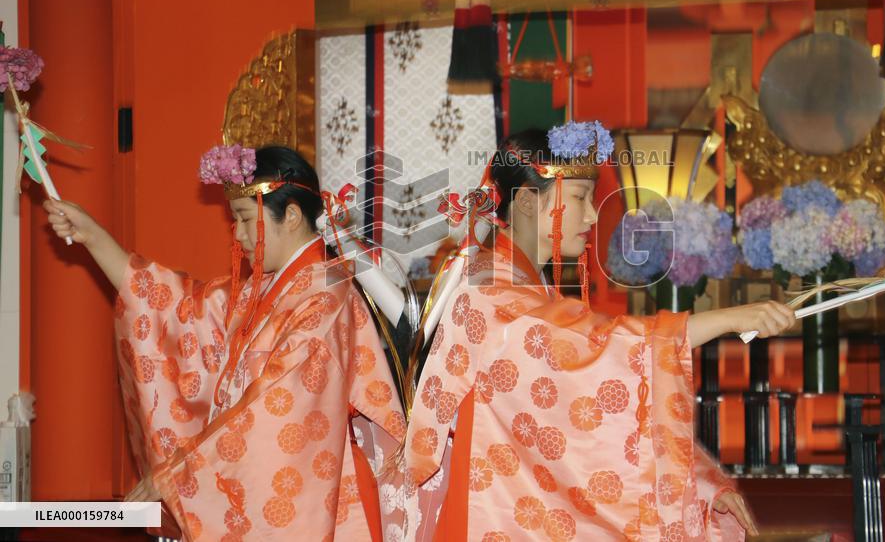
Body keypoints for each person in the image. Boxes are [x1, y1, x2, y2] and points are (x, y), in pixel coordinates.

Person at [396, 123, 796, 541]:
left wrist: (703, 483)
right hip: (491, 511)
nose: (591, 215)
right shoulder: (492, 292)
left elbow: (603, 407)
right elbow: (601, 350)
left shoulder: (522, 283)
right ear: (530, 202)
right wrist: (730, 319)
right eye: (579, 198)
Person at [44, 145, 406, 541]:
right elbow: (174, 308)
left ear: (290, 216)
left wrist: (183, 471)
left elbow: (277, 411)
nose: (238, 234)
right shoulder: (260, 291)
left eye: (246, 219)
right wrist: (93, 237)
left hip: (324, 500)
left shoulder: (326, 299)